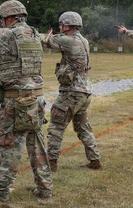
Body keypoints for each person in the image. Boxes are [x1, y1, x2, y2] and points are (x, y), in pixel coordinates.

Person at [0, 0, 53, 201]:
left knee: (5, 144)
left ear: (9, 18)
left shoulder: (7, 35)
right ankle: (45, 189)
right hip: (36, 98)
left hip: (14, 100)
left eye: (2, 20)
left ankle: (0, 191)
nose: (1, 24)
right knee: (36, 143)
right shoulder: (33, 34)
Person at [42, 11, 101, 171]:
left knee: (56, 126)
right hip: (84, 90)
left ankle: (51, 163)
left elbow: (46, 41)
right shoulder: (84, 40)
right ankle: (95, 160)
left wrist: (38, 34)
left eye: (62, 24)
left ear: (68, 25)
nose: (60, 27)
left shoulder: (68, 40)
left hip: (72, 91)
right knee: (83, 128)